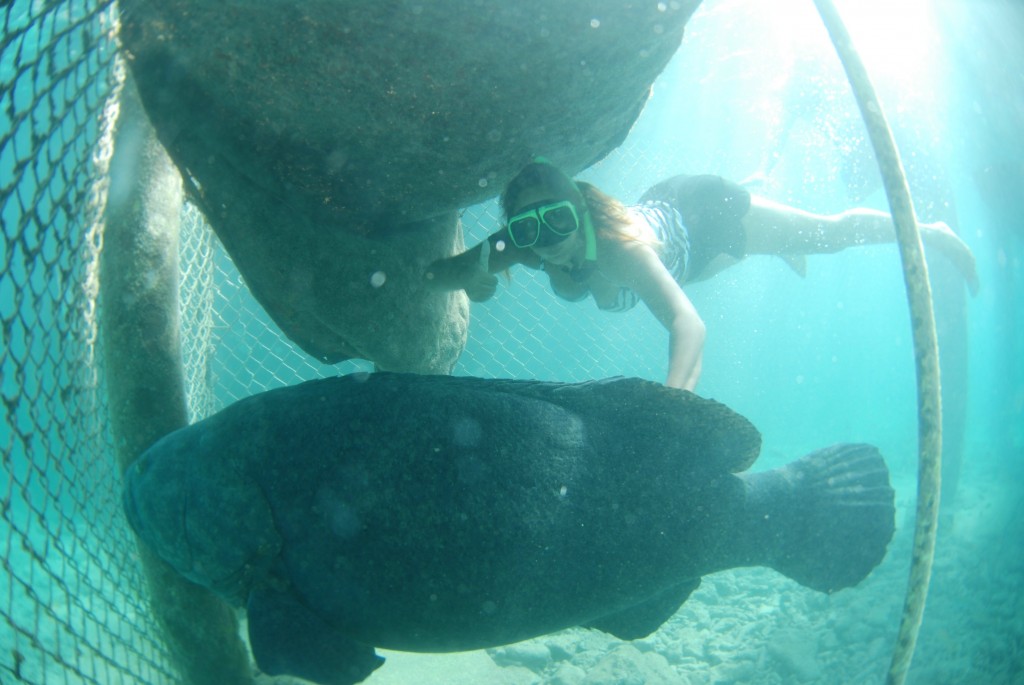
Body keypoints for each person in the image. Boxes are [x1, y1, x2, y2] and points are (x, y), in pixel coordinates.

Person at [425, 160, 979, 392]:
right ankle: (767, 211)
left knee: (827, 235)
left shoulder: (621, 254)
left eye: (560, 220)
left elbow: (687, 324)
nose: (548, 239)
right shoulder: (521, 245)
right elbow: (442, 273)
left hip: (706, 217)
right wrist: (465, 277)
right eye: (528, 228)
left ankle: (930, 230)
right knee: (769, 246)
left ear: (579, 211)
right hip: (666, 217)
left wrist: (674, 405)